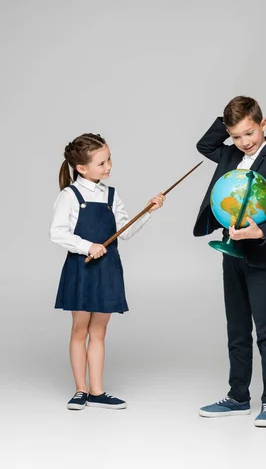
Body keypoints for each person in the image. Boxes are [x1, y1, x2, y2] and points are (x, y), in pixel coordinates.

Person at [193, 96, 266, 427]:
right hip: (231, 254)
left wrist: (259, 232)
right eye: (236, 136)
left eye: (249, 133)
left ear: (263, 125)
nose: (244, 142)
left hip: (261, 256)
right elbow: (204, 144)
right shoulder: (229, 153)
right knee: (236, 328)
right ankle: (238, 396)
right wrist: (225, 121)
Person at [50, 133, 165, 411]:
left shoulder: (111, 194)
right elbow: (58, 233)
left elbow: (124, 232)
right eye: (101, 163)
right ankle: (80, 390)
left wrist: (148, 211)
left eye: (109, 159)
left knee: (99, 331)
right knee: (80, 329)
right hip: (82, 268)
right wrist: (88, 246)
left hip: (107, 270)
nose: (108, 166)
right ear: (81, 168)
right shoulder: (70, 195)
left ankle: (97, 391)